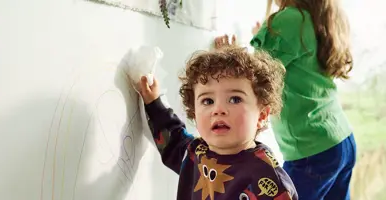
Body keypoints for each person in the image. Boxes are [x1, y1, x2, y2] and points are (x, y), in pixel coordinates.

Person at [215, 0, 356, 199]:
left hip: (311, 152)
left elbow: (257, 79)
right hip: (340, 141)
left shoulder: (289, 19)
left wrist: (228, 57)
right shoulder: (318, 19)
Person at [136, 47, 298, 199]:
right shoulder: (194, 153)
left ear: (262, 116)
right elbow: (171, 138)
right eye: (207, 101)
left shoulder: (268, 178)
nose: (218, 109)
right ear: (194, 112)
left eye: (235, 99)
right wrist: (154, 103)